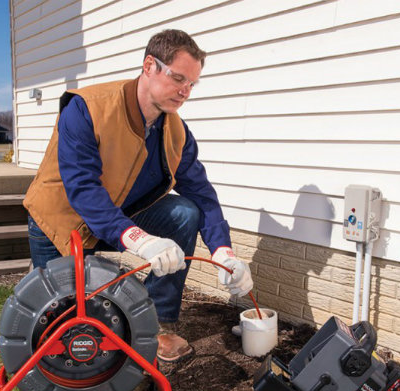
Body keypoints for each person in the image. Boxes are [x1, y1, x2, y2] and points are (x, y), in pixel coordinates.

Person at [23, 29, 253, 363]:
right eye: (178, 78)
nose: (185, 91)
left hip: (120, 214)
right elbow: (83, 189)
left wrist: (224, 251)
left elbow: (201, 195)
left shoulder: (176, 132)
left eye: (192, 84)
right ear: (149, 66)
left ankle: (157, 324)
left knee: (185, 213)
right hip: (61, 220)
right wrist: (140, 240)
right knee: (61, 330)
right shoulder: (86, 109)